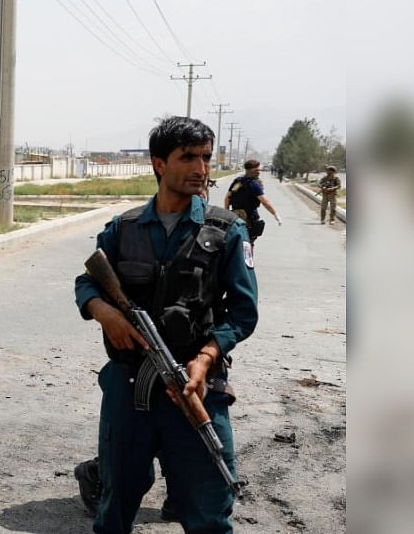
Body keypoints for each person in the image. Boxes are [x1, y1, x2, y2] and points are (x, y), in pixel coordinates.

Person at [73, 117, 258, 533]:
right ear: (159, 163)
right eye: (188, 157)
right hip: (129, 389)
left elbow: (243, 314)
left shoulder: (227, 232)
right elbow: (87, 281)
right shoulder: (124, 228)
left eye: (206, 158)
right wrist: (104, 312)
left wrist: (207, 357)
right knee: (115, 506)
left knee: (209, 511)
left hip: (192, 387)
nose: (201, 169)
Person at [223, 159, 281, 244]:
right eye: (256, 170)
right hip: (249, 219)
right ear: (249, 170)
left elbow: (227, 199)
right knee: (248, 244)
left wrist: (227, 214)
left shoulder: (238, 181)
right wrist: (276, 214)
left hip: (235, 217)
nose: (259, 172)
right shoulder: (254, 184)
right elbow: (265, 202)